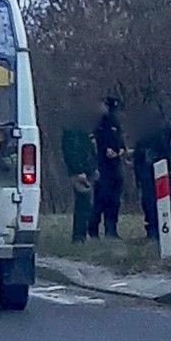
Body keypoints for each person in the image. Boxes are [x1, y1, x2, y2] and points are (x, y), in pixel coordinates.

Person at [62, 95, 101, 242]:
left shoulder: (82, 130)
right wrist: (79, 171)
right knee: (83, 205)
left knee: (86, 205)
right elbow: (73, 152)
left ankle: (82, 235)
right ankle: (79, 236)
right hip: (80, 172)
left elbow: (90, 150)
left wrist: (93, 168)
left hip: (87, 170)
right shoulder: (72, 131)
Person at [131, 105, 171, 240]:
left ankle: (153, 229)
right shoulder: (164, 130)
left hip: (149, 171)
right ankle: (160, 228)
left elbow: (138, 155)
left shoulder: (145, 132)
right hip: (158, 170)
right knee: (159, 201)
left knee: (150, 201)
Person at [90, 97, 125, 238]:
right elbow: (95, 143)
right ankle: (93, 230)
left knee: (114, 201)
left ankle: (111, 230)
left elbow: (120, 140)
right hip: (102, 166)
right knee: (100, 200)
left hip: (115, 166)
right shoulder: (99, 123)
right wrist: (104, 151)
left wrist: (121, 150)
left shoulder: (115, 122)